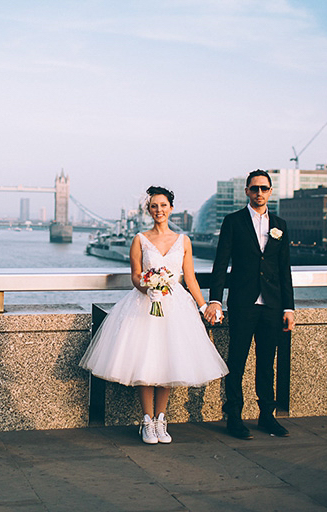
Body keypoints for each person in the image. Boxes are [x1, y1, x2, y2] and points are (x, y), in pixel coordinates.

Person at [80, 186, 228, 444]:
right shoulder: (140, 239)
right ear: (149, 210)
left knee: (168, 361)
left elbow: (189, 278)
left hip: (176, 307)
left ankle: (162, 419)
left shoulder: (184, 240)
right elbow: (136, 276)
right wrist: (148, 288)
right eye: (153, 206)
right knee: (145, 362)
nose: (158, 210)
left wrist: (204, 306)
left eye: (163, 205)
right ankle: (146, 421)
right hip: (144, 306)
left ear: (171, 208)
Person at [204, 170, 295, 440]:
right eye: (254, 188)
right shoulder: (233, 222)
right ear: (246, 191)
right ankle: (234, 416)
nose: (259, 193)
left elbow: (284, 268)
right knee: (237, 361)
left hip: (272, 305)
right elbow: (221, 264)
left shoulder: (280, 224)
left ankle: (267, 416)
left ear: (270, 191)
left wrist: (289, 308)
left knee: (267, 363)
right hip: (243, 303)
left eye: (264, 188)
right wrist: (215, 299)